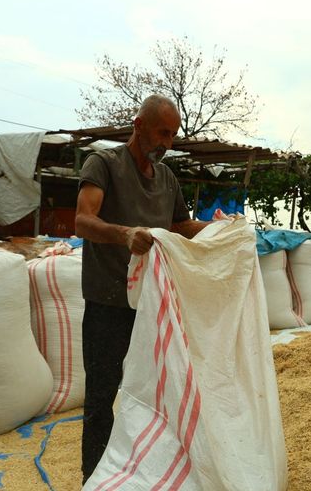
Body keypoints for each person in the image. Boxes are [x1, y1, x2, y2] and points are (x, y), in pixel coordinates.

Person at [74, 94, 209, 483]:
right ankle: (94, 478)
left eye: (173, 135)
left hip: (154, 304)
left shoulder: (167, 178)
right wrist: (125, 233)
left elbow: (181, 226)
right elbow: (84, 221)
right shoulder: (104, 164)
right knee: (102, 397)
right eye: (161, 132)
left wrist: (223, 228)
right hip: (109, 302)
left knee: (159, 395)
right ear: (138, 125)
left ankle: (145, 471)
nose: (166, 142)